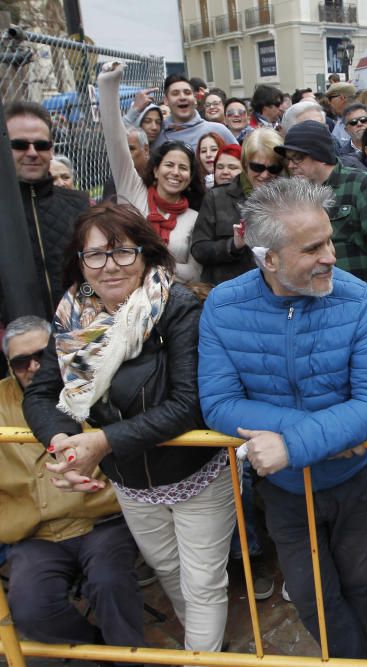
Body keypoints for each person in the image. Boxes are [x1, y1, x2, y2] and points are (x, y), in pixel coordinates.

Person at [22, 202, 235, 655]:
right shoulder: (72, 318)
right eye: (95, 255)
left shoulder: (176, 306)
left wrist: (100, 442)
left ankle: (201, 659)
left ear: (147, 254)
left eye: (123, 252)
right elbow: (40, 394)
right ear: (80, 262)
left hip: (195, 472)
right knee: (169, 572)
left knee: (203, 584)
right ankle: (207, 650)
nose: (109, 266)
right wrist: (64, 442)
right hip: (130, 482)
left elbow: (187, 403)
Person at [198, 177, 367, 659]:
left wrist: (297, 442)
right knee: (311, 596)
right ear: (268, 258)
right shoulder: (224, 307)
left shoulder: (357, 298)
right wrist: (325, 435)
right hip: (286, 490)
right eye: (313, 248)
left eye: (329, 239)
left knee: (356, 584)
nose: (331, 255)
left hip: (355, 482)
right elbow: (220, 404)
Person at [0, 316, 145, 653]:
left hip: (101, 520)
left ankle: (131, 658)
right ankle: (99, 649)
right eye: (21, 362)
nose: (34, 367)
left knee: (111, 584)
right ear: (9, 366)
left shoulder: (94, 383)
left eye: (42, 356)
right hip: (37, 533)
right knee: (31, 607)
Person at [99, 63, 204, 284]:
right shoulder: (133, 192)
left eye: (183, 168)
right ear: (155, 170)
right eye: (169, 165)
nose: (175, 172)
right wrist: (108, 86)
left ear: (190, 177)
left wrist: (152, 258)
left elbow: (194, 273)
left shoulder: (194, 218)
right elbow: (115, 141)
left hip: (175, 303)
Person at [278, 120, 367, 282]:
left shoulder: (363, 185)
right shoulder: (297, 194)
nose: (291, 165)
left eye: (298, 158)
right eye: (289, 159)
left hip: (360, 295)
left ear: (319, 154)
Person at [6, 100, 89, 317]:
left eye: (41, 145)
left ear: (51, 149)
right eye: (20, 145)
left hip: (77, 335)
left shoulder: (80, 206)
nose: (32, 152)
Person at [191, 128, 284, 286]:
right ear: (245, 164)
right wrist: (233, 245)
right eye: (258, 167)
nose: (265, 175)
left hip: (275, 291)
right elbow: (199, 250)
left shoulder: (288, 199)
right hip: (229, 291)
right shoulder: (217, 197)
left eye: (273, 168)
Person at [125, 74, 236, 150]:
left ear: (195, 99)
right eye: (175, 93)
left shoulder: (219, 131)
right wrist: (134, 110)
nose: (182, 97)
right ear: (166, 101)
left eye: (187, 92)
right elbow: (120, 144)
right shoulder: (156, 133)